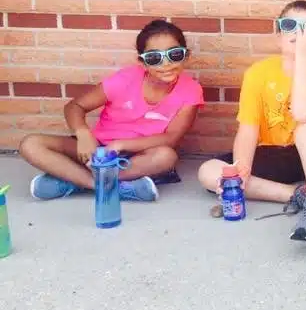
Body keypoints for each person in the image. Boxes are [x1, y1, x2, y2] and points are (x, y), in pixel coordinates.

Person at [197, 0, 306, 243]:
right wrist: (240, 171)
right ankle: (297, 194)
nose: (297, 33)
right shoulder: (258, 72)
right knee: (209, 172)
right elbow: (248, 128)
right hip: (276, 152)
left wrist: (303, 59)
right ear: (277, 35)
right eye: (289, 26)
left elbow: (304, 113)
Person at [20, 19, 203, 201]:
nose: (166, 64)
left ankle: (74, 181)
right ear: (143, 62)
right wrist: (83, 134)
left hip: (139, 156)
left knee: (166, 157)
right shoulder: (125, 79)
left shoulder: (191, 90)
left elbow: (171, 138)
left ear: (186, 56)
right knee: (31, 144)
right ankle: (104, 186)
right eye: (154, 58)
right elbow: (75, 106)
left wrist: (120, 145)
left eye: (175, 55)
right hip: (97, 150)